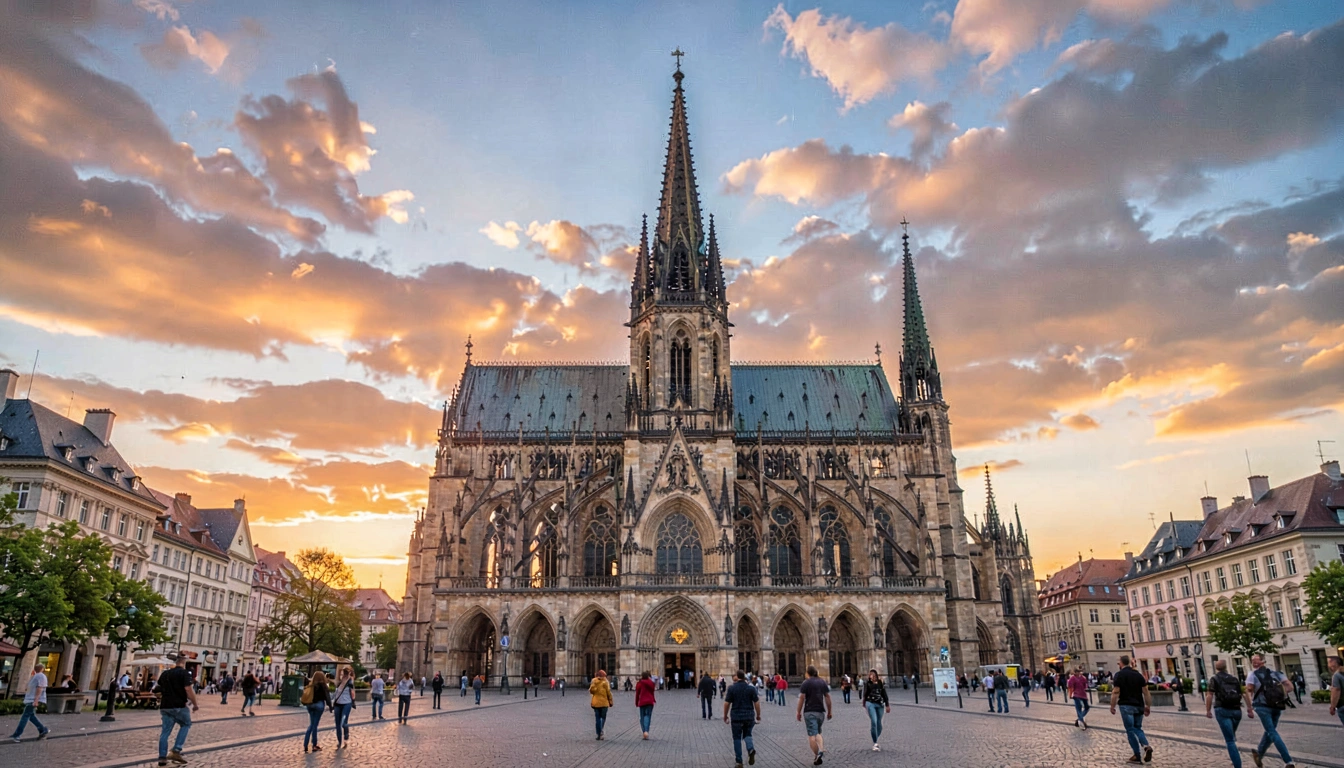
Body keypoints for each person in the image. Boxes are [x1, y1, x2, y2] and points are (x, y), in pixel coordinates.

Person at [1244, 653, 1295, 768]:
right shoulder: (1276, 673)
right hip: (1277, 706)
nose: (1254, 662)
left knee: (1272, 732)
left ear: (1263, 661)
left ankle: (1288, 761)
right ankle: (1259, 754)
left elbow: (1250, 689)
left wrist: (1247, 693)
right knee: (1270, 731)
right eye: (1253, 660)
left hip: (1262, 706)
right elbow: (1290, 686)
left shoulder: (1252, 674)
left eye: (1256, 660)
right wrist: (1282, 695)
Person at [155, 654, 199, 765]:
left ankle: (162, 757)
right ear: (183, 663)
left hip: (165, 706)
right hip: (179, 705)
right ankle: (176, 749)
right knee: (186, 724)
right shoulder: (184, 674)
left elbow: (159, 686)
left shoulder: (165, 674)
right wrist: (195, 704)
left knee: (165, 732)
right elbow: (188, 689)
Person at [1110, 655, 1153, 764]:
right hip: (1139, 705)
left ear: (1121, 663)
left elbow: (1116, 692)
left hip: (1126, 706)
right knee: (1138, 728)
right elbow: (1146, 692)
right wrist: (1148, 705)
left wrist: (1112, 706)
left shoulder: (1119, 675)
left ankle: (1138, 755)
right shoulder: (1138, 675)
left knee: (1130, 730)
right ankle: (1146, 746)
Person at [1206, 659, 1245, 768]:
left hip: (1222, 709)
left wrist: (1208, 710)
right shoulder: (1234, 679)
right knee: (1232, 735)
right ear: (1226, 667)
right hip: (1237, 710)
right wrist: (1249, 708)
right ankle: (1234, 757)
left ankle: (1238, 765)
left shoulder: (1214, 679)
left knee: (1230, 740)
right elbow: (1242, 694)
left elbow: (1209, 695)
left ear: (1216, 668)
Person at [724, 670, 762, 768]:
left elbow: (727, 703)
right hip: (749, 716)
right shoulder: (751, 688)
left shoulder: (732, 688)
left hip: (736, 716)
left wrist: (725, 715)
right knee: (747, 734)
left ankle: (739, 761)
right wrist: (758, 715)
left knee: (737, 738)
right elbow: (757, 703)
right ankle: (750, 749)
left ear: (737, 677)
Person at [795, 665, 832, 766]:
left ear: (807, 673)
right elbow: (827, 697)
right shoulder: (822, 682)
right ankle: (820, 749)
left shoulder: (806, 683)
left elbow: (802, 698)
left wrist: (798, 712)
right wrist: (829, 711)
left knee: (812, 735)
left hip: (809, 712)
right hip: (820, 712)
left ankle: (817, 754)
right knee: (818, 733)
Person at [10, 663, 50, 743]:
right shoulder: (41, 676)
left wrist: (35, 700)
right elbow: (40, 688)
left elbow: (36, 688)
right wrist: (36, 700)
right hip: (32, 699)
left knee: (26, 716)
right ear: (42, 669)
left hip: (30, 699)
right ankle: (42, 729)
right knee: (30, 716)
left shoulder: (34, 677)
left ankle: (17, 734)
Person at [302, 670, 331, 753]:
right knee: (314, 725)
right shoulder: (323, 685)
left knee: (312, 724)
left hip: (310, 705)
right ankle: (313, 745)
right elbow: (327, 697)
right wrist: (330, 706)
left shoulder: (310, 685)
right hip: (319, 705)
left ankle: (306, 744)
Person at [862, 669, 890, 752]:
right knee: (874, 721)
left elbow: (884, 693)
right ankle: (875, 742)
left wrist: (887, 704)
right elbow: (865, 694)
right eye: (869, 675)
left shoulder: (880, 683)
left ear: (875, 675)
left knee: (879, 724)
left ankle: (875, 737)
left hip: (880, 704)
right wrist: (864, 703)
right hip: (870, 703)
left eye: (872, 674)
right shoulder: (868, 683)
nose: (870, 676)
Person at [330, 668, 355, 748]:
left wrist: (353, 701)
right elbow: (336, 693)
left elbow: (352, 692)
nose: (342, 676)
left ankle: (346, 736)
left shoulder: (350, 682)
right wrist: (329, 699)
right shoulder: (339, 683)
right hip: (338, 704)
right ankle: (339, 742)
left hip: (346, 704)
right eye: (341, 674)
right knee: (337, 724)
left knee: (343, 722)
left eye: (343, 674)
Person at [589, 669, 613, 740]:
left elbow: (591, 691)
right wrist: (610, 700)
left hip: (596, 703)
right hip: (604, 703)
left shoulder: (594, 682)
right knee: (603, 717)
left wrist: (594, 685)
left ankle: (598, 733)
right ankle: (601, 731)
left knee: (597, 718)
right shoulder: (605, 682)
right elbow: (608, 692)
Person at [636, 670, 657, 739]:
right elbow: (652, 691)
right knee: (648, 716)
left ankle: (644, 731)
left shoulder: (640, 683)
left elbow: (637, 693)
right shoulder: (651, 683)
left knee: (642, 717)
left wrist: (636, 702)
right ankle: (646, 731)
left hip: (642, 702)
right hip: (650, 702)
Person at [1329, 656, 1344, 728]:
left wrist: (1332, 706)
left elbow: (1336, 690)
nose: (1328, 664)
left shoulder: (1336, 675)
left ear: (1333, 663)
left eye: (1329, 662)